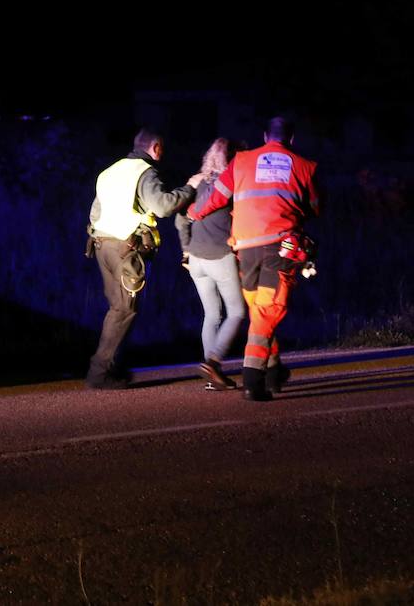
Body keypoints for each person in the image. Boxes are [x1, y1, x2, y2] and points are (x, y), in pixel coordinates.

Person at [187, 117, 319, 401]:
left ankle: (273, 373)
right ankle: (252, 377)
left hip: (245, 249)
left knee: (260, 311)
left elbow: (217, 196)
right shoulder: (305, 167)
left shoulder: (243, 160)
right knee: (268, 311)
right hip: (279, 247)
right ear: (292, 139)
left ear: (264, 135)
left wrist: (195, 213)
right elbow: (316, 207)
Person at [85, 128, 196, 389]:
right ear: (156, 147)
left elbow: (95, 212)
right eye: (162, 149)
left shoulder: (109, 172)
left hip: (102, 245)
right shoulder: (145, 172)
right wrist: (189, 190)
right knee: (124, 310)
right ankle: (100, 373)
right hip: (125, 248)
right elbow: (163, 206)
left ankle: (113, 367)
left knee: (117, 309)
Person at [175, 138, 244, 390]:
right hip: (219, 255)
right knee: (237, 312)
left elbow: (180, 220)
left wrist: (185, 250)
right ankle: (213, 364)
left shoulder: (195, 183)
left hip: (195, 257)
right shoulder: (233, 185)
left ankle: (211, 375)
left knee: (212, 314)